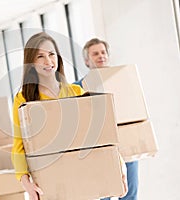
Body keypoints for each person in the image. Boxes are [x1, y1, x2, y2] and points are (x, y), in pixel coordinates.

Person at [11, 32, 86, 200]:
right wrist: (26, 183)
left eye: (52, 54)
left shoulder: (77, 93)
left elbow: (99, 138)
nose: (48, 61)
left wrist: (118, 169)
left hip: (79, 175)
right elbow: (18, 144)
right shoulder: (24, 99)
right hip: (48, 181)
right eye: (40, 56)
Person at [74, 38, 139, 200]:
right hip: (98, 146)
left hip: (125, 140)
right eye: (95, 54)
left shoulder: (122, 80)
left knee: (130, 192)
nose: (101, 56)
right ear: (87, 61)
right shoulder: (77, 88)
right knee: (103, 194)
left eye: (103, 52)